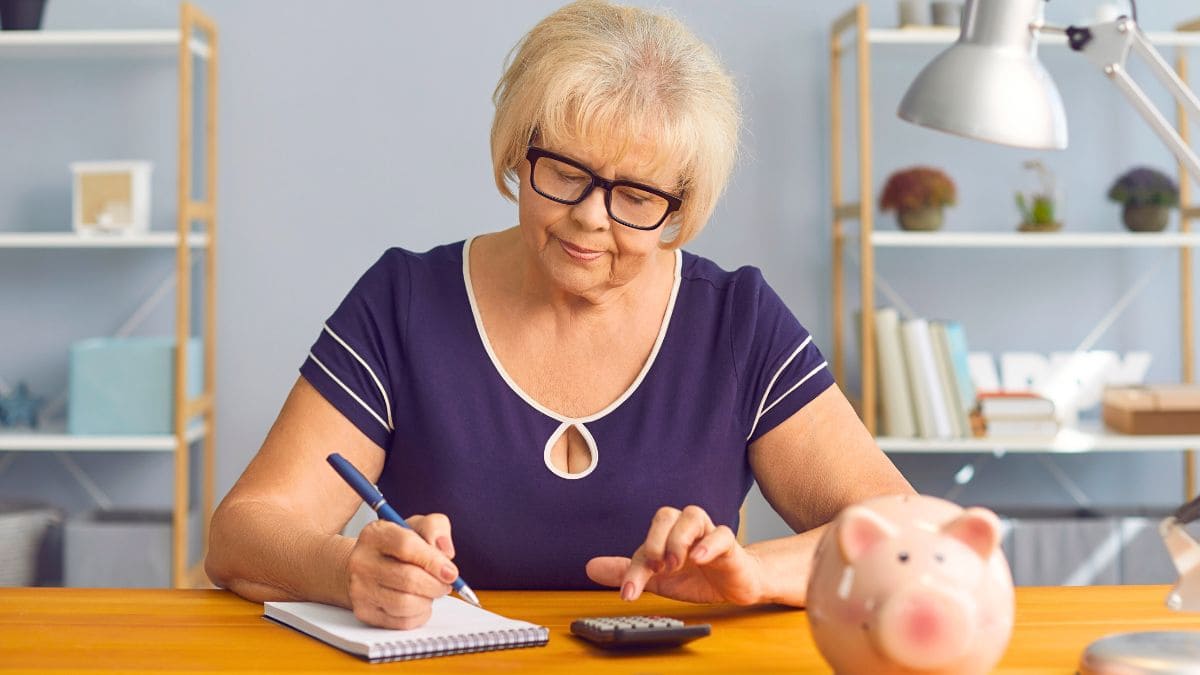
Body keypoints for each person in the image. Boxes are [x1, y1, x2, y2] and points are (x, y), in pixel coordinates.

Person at [205, 0, 913, 630]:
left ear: (681, 203)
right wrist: (347, 569)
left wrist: (753, 573)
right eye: (566, 173)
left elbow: (905, 528)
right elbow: (240, 533)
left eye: (636, 196)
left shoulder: (737, 321)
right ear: (519, 148)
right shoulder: (405, 301)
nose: (589, 219)